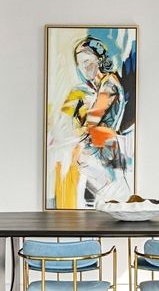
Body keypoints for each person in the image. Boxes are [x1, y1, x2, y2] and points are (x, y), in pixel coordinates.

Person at [53, 37, 132, 207]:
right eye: (80, 63)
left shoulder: (109, 84)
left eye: (88, 61)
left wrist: (68, 136)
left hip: (105, 156)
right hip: (96, 156)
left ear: (100, 59)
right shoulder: (93, 89)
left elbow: (93, 120)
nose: (84, 67)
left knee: (111, 201)